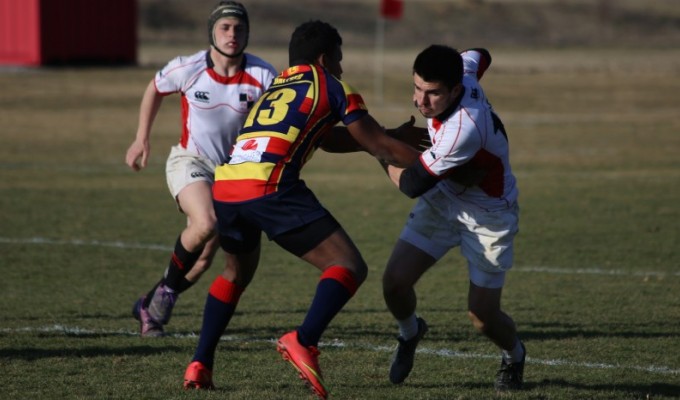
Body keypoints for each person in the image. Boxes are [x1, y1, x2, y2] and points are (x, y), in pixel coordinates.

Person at [181, 20, 422, 399]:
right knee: (348, 266)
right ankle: (303, 340)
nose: (342, 69)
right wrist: (438, 165)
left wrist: (388, 133)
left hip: (227, 188)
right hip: (269, 186)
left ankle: (199, 364)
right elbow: (379, 147)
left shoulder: (277, 86)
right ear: (325, 58)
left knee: (235, 272)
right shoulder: (330, 84)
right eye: (339, 60)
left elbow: (327, 139)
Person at [124, 1, 277, 337]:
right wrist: (141, 139)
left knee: (205, 258)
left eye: (239, 28)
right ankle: (161, 301)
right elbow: (155, 88)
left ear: (248, 33)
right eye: (225, 28)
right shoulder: (188, 67)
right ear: (212, 32)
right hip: (191, 161)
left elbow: (283, 115)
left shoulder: (264, 75)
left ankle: (149, 305)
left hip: (234, 174)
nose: (232, 34)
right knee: (205, 222)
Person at [380, 45, 526, 391]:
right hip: (444, 200)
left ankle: (514, 355)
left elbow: (412, 183)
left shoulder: (463, 128)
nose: (421, 101)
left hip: (488, 214)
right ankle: (410, 332)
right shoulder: (464, 70)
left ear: (456, 91)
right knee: (394, 284)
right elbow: (481, 53)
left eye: (433, 93)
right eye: (416, 88)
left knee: (482, 317)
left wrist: (380, 150)